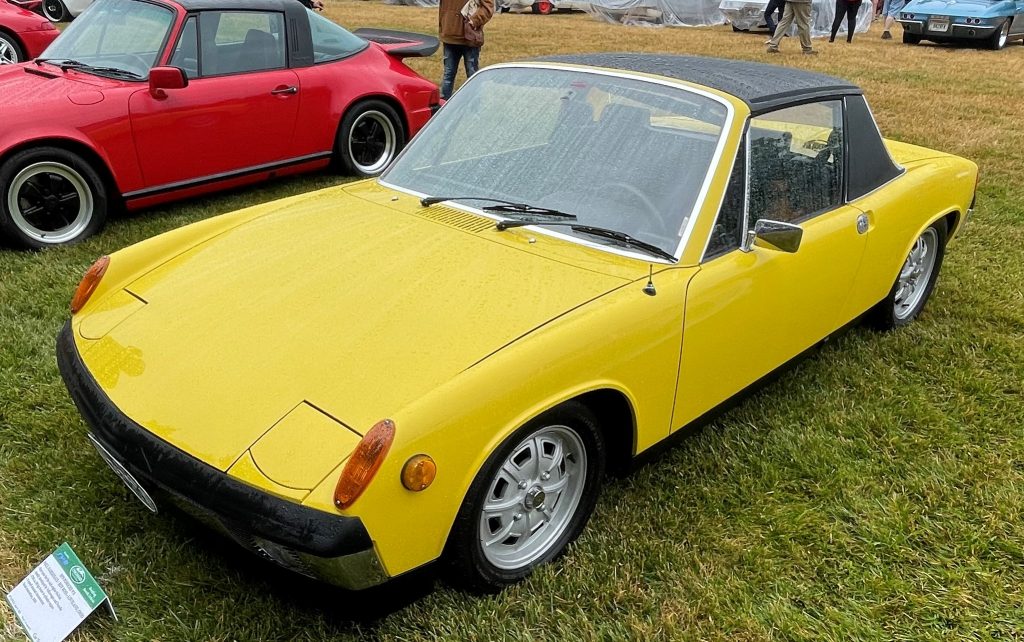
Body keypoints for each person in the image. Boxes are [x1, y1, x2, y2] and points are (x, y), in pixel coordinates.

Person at [439, 0, 494, 100]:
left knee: (472, 74)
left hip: (470, 38)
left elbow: (488, 7)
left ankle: (474, 106)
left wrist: (474, 21)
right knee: (448, 75)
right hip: (449, 36)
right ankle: (443, 110)